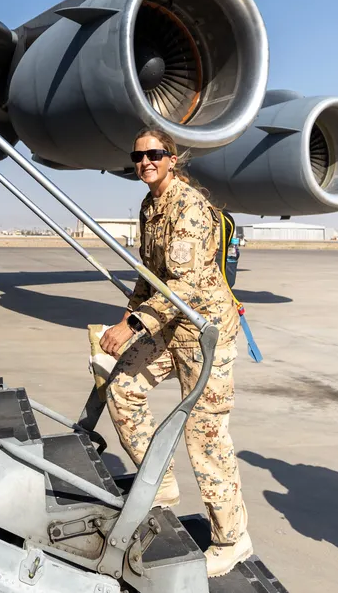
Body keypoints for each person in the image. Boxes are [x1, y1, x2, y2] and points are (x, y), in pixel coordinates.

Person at [98, 127, 250, 577]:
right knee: (122, 387)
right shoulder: (150, 206)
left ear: (172, 158)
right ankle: (159, 483)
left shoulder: (188, 208)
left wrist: (131, 325)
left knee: (204, 437)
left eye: (154, 154)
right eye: (138, 155)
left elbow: (182, 286)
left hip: (205, 334)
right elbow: (149, 277)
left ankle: (232, 538)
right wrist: (128, 319)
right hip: (169, 327)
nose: (144, 161)